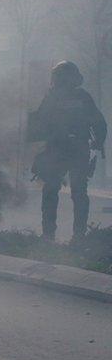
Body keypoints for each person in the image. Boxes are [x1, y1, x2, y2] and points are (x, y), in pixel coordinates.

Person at [30, 61, 107, 242]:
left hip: (63, 151)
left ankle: (51, 235)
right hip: (72, 150)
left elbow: (39, 122)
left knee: (56, 191)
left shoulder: (55, 97)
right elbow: (99, 123)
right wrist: (98, 140)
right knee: (75, 192)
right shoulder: (80, 97)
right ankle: (74, 236)